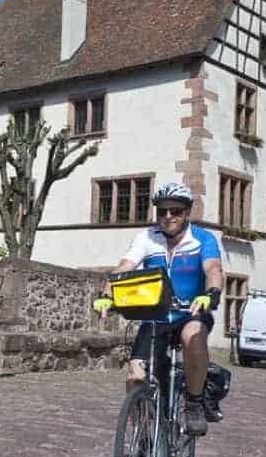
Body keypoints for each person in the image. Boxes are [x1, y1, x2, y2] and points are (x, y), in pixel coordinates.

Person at [94, 183, 223, 436]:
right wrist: (105, 294)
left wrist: (211, 294)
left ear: (187, 212)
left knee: (191, 336)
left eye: (175, 211)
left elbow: (213, 269)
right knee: (135, 377)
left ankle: (194, 402)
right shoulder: (147, 238)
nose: (167, 217)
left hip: (191, 312)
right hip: (155, 317)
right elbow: (124, 267)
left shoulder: (202, 239)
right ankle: (143, 435)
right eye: (162, 211)